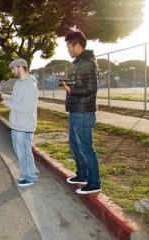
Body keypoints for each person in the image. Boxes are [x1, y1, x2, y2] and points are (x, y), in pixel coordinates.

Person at [62, 31, 101, 194]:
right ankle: (82, 176)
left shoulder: (88, 62)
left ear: (77, 46)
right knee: (75, 145)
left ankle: (94, 183)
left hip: (84, 112)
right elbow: (81, 83)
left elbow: (91, 88)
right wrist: (69, 83)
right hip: (76, 110)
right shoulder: (79, 63)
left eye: (69, 47)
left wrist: (71, 90)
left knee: (85, 148)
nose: (68, 50)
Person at [2, 59, 39, 187]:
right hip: (17, 124)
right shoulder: (18, 83)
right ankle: (30, 172)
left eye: (13, 68)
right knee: (21, 152)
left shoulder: (30, 85)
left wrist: (7, 103)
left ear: (20, 67)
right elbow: (15, 99)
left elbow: (26, 107)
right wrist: (4, 98)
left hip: (24, 125)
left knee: (24, 152)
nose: (12, 71)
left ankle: (30, 177)